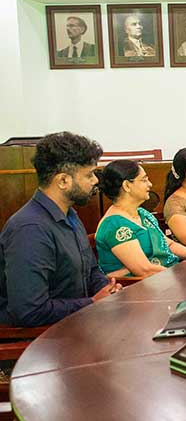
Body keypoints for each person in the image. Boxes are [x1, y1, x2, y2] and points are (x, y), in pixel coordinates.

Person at [0, 132, 120, 327]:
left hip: (77, 323)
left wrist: (108, 290)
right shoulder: (30, 229)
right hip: (44, 338)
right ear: (63, 181)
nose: (95, 180)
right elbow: (29, 311)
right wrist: (92, 303)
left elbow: (90, 270)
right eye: (89, 175)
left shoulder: (70, 215)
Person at [95, 161, 186, 278]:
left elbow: (169, 245)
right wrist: (183, 276)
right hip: (141, 285)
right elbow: (145, 270)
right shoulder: (115, 225)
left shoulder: (142, 213)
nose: (150, 184)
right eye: (144, 180)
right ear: (127, 185)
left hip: (165, 276)